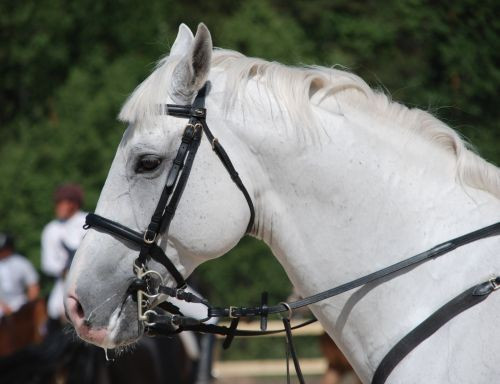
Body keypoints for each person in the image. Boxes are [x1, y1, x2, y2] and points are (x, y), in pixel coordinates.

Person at [41, 183, 86, 326]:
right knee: (55, 314)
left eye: (62, 202)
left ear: (74, 204)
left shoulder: (88, 221)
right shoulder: (51, 229)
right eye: (58, 203)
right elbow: (47, 263)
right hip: (63, 284)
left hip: (89, 280)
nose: (58, 207)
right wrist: (64, 271)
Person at [0, 233, 40, 318]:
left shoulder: (21, 263)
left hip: (19, 301)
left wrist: (30, 304)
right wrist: (3, 306)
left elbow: (33, 286)